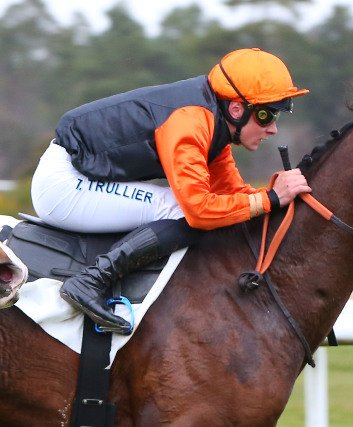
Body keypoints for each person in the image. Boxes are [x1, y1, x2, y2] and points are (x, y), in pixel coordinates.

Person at [31, 47, 312, 334]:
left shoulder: (214, 126)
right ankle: (91, 281)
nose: (273, 129)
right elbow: (199, 211)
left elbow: (234, 195)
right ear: (236, 109)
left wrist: (278, 196)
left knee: (196, 207)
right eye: (266, 115)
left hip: (81, 177)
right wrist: (271, 198)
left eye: (277, 116)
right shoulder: (190, 121)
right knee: (179, 209)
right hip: (64, 185)